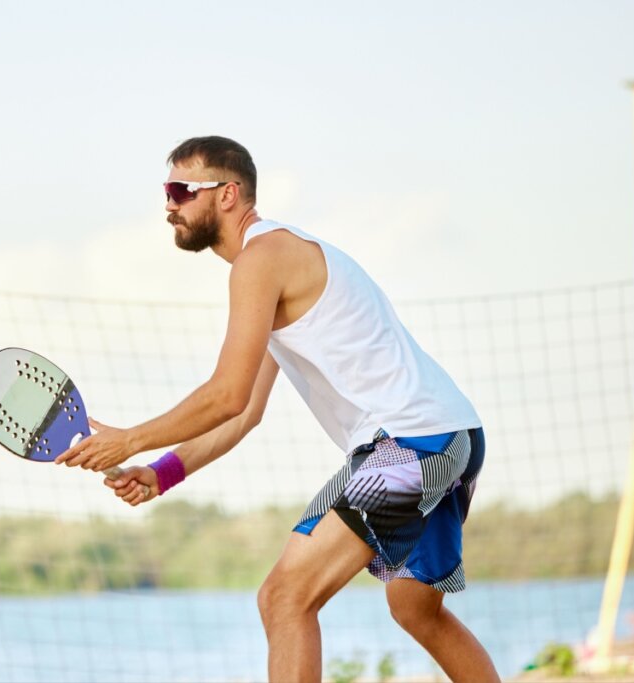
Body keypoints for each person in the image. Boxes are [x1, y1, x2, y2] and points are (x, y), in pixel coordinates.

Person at [54, 136, 500, 683]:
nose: (168, 205)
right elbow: (243, 414)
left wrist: (130, 441)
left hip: (415, 440)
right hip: (442, 433)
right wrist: (160, 472)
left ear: (227, 194)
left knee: (285, 597)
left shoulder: (261, 260)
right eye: (165, 191)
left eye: (180, 190)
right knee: (414, 608)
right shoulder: (269, 264)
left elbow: (226, 394)